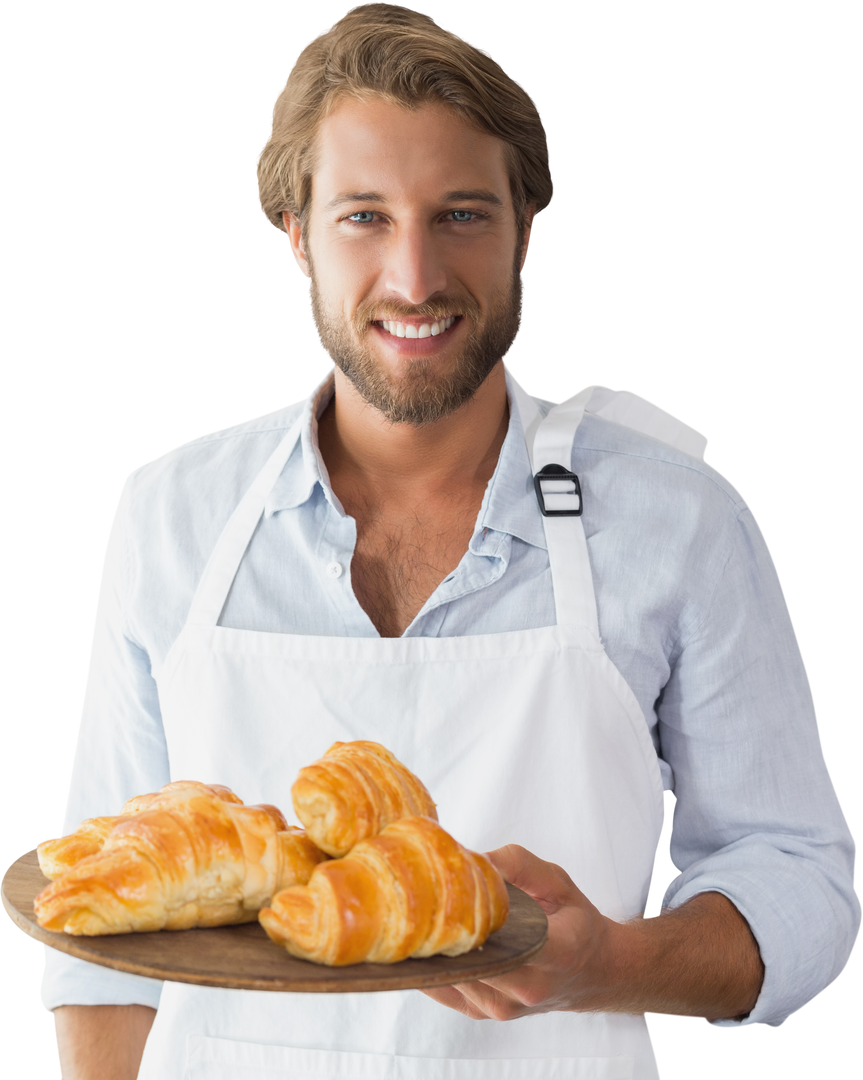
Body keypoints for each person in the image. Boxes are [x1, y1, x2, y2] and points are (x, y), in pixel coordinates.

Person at [41, 4, 859, 1077]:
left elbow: (796, 877)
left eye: (461, 214)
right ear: (295, 234)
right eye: (364, 217)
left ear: (526, 229)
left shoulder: (677, 521)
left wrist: (604, 964)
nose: (415, 277)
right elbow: (101, 945)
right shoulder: (173, 509)